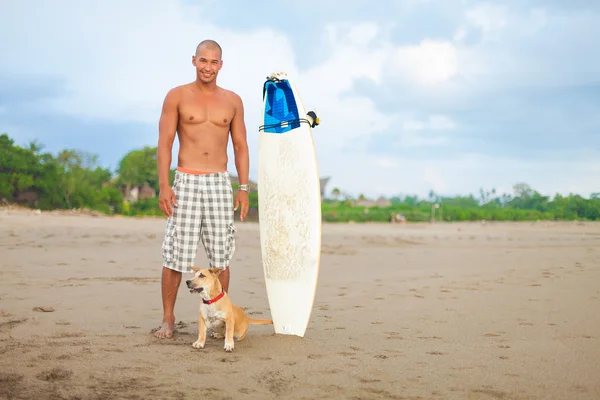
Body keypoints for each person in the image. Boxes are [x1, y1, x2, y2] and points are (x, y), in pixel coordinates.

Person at [153, 40, 250, 339]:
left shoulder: (232, 100)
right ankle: (168, 320)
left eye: (214, 62)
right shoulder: (177, 96)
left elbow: (240, 146)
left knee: (221, 258)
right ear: (194, 60)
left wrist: (243, 187)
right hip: (186, 180)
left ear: (221, 65)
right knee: (176, 256)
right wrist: (164, 184)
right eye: (203, 61)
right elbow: (165, 143)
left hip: (219, 182)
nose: (208, 66)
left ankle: (220, 320)